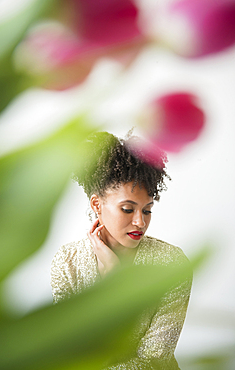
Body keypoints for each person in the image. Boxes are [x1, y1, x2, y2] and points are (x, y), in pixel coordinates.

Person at [51, 131, 192, 369]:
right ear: (97, 204)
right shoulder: (67, 262)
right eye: (128, 209)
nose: (140, 222)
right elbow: (70, 352)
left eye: (147, 210)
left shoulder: (171, 263)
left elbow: (155, 360)